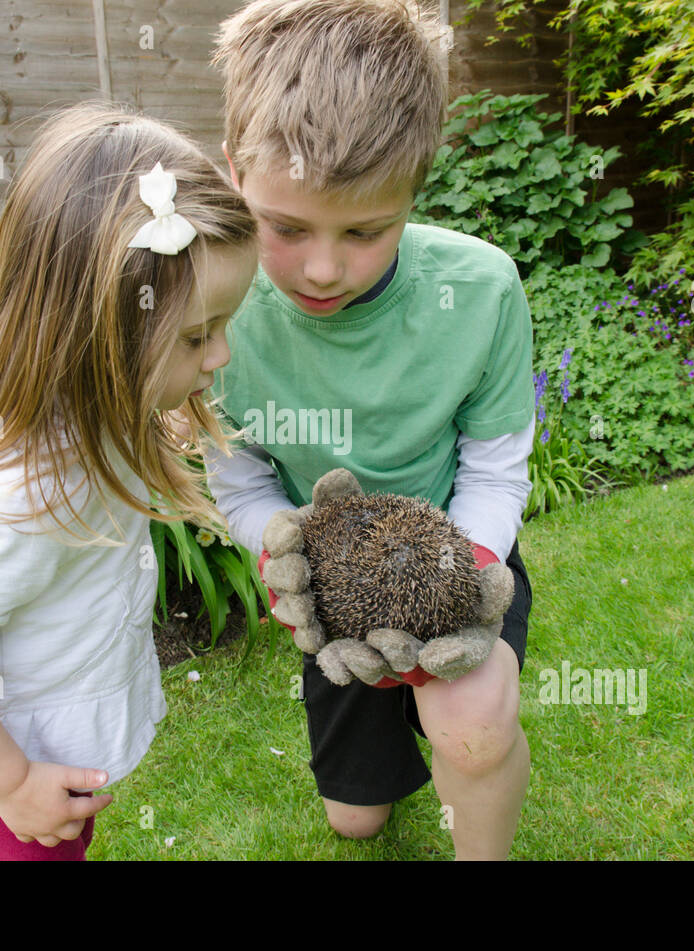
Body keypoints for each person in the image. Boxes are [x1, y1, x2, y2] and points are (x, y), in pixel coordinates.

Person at [0, 102, 257, 861]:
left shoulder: (90, 407)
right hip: (9, 756)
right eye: (199, 335)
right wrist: (11, 785)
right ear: (97, 331)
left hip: (47, 738)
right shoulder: (13, 495)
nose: (221, 354)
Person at [206, 0, 535, 860]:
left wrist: (467, 572)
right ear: (235, 171)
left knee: (473, 730)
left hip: (458, 553)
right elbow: (239, 482)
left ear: (413, 192)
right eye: (286, 227)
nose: (323, 268)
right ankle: (379, 753)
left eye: (365, 231)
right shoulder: (210, 313)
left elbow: (495, 471)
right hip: (328, 584)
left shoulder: (486, 288)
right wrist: (280, 547)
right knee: (357, 818)